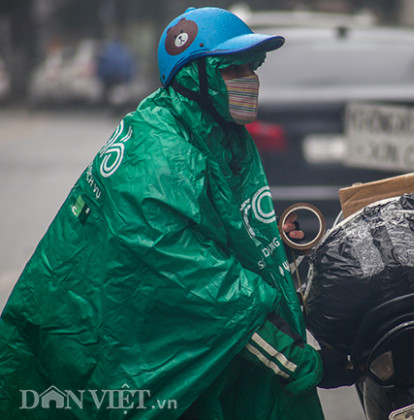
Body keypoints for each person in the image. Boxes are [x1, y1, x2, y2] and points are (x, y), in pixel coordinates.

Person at [0, 7, 355, 419]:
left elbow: (210, 229)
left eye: (252, 67)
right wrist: (305, 364)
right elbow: (216, 293)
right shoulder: (163, 156)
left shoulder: (204, 127)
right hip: (102, 359)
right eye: (233, 69)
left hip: (142, 334)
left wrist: (265, 237)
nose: (250, 80)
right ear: (195, 76)